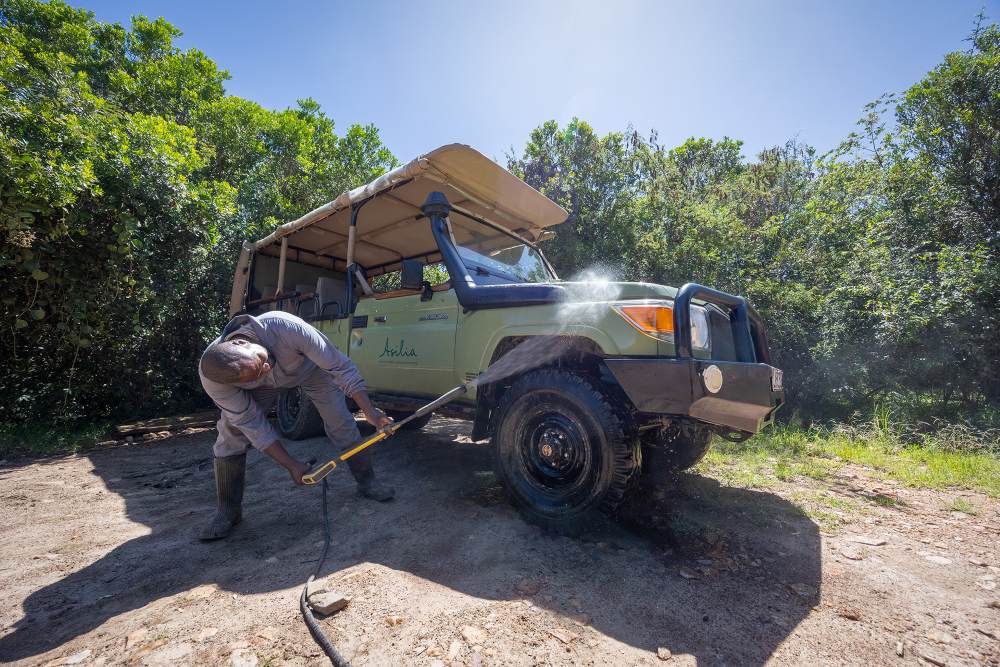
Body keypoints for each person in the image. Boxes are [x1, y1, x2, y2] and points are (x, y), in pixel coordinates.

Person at [197, 310, 395, 541]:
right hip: (261, 389)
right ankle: (228, 511)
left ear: (242, 342)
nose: (266, 369)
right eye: (255, 374)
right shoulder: (214, 378)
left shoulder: (287, 328)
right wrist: (291, 465)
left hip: (311, 372)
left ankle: (367, 481)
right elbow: (251, 423)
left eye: (262, 361)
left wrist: (370, 413)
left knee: (340, 421)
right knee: (231, 433)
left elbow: (341, 368)